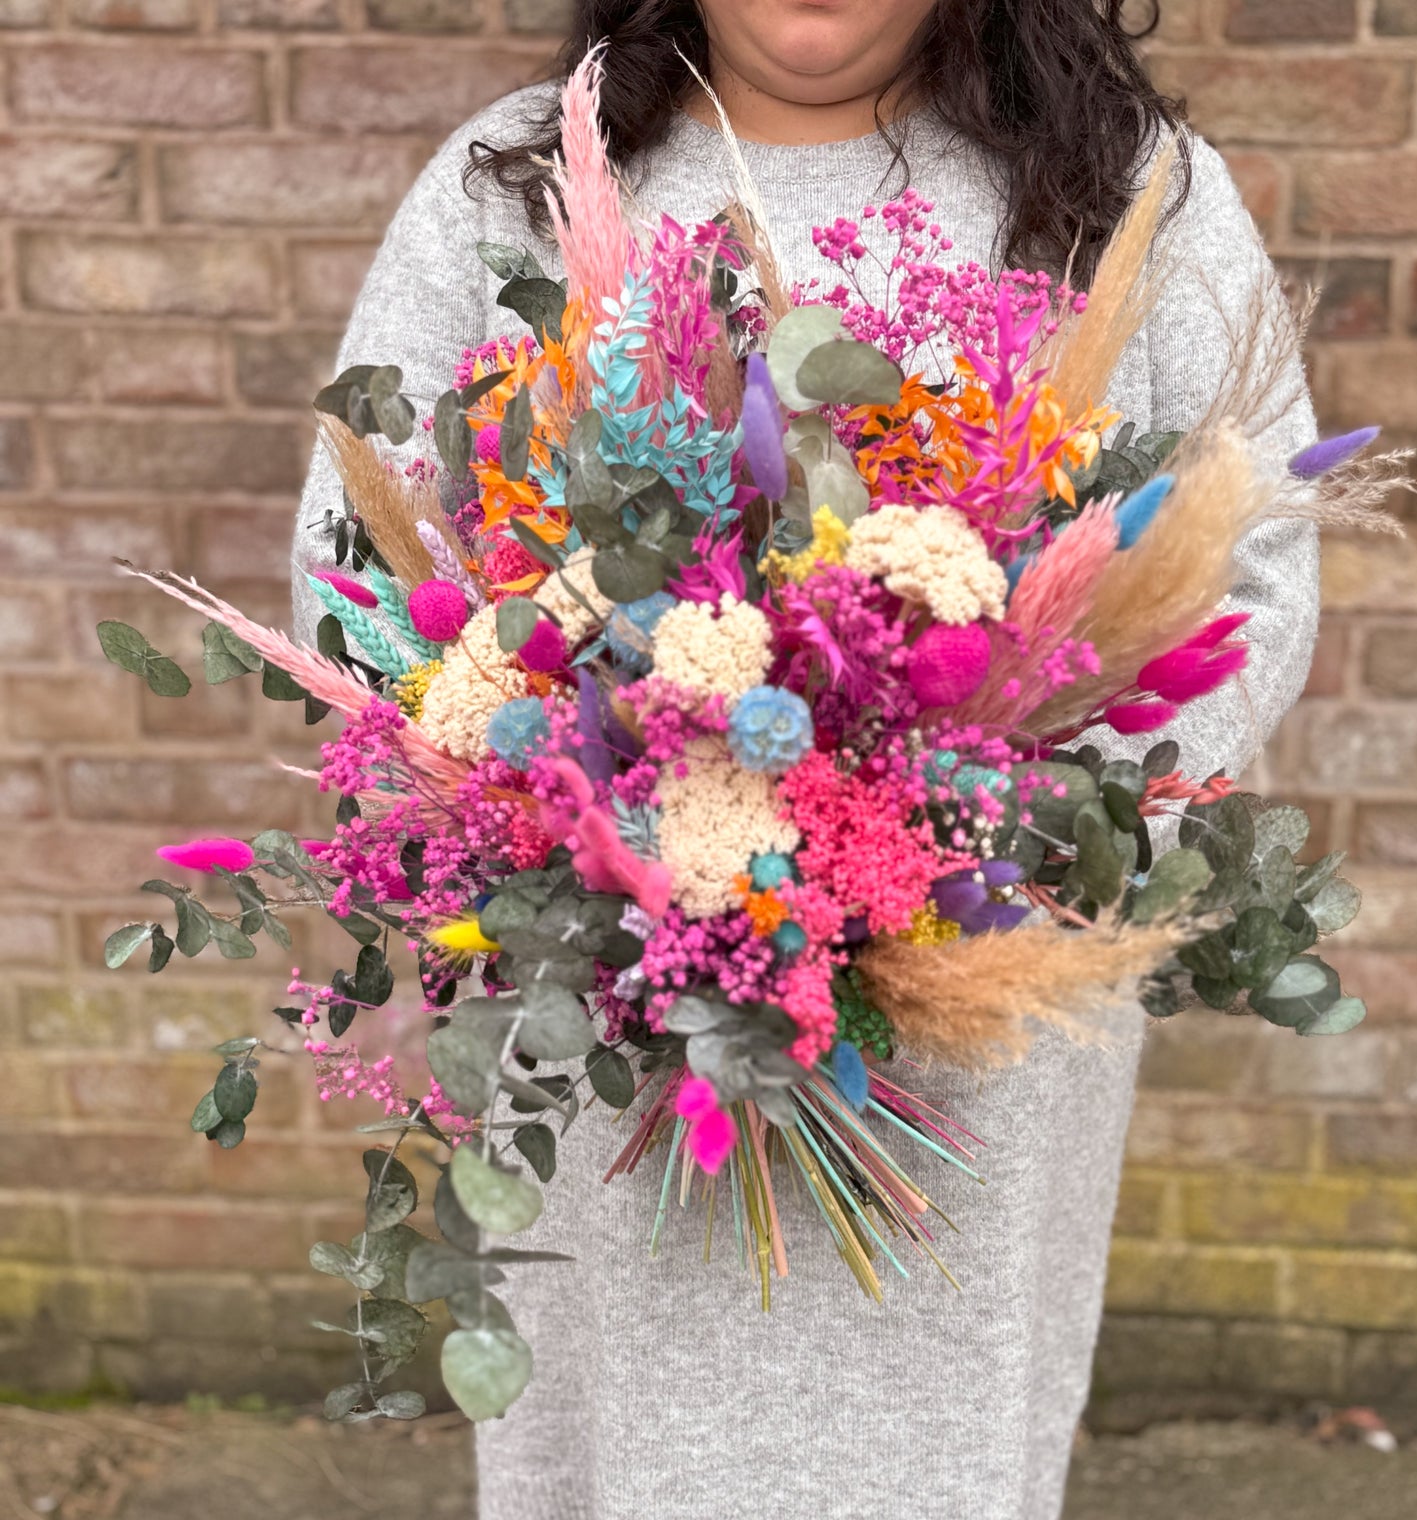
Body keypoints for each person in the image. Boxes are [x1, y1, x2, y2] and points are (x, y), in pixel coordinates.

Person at [291, 1, 1320, 1514]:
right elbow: (356, 562)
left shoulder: (1120, 189)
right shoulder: (513, 188)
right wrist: (573, 827)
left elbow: (1254, 558)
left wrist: (987, 843)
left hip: (979, 1011)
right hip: (607, 1030)